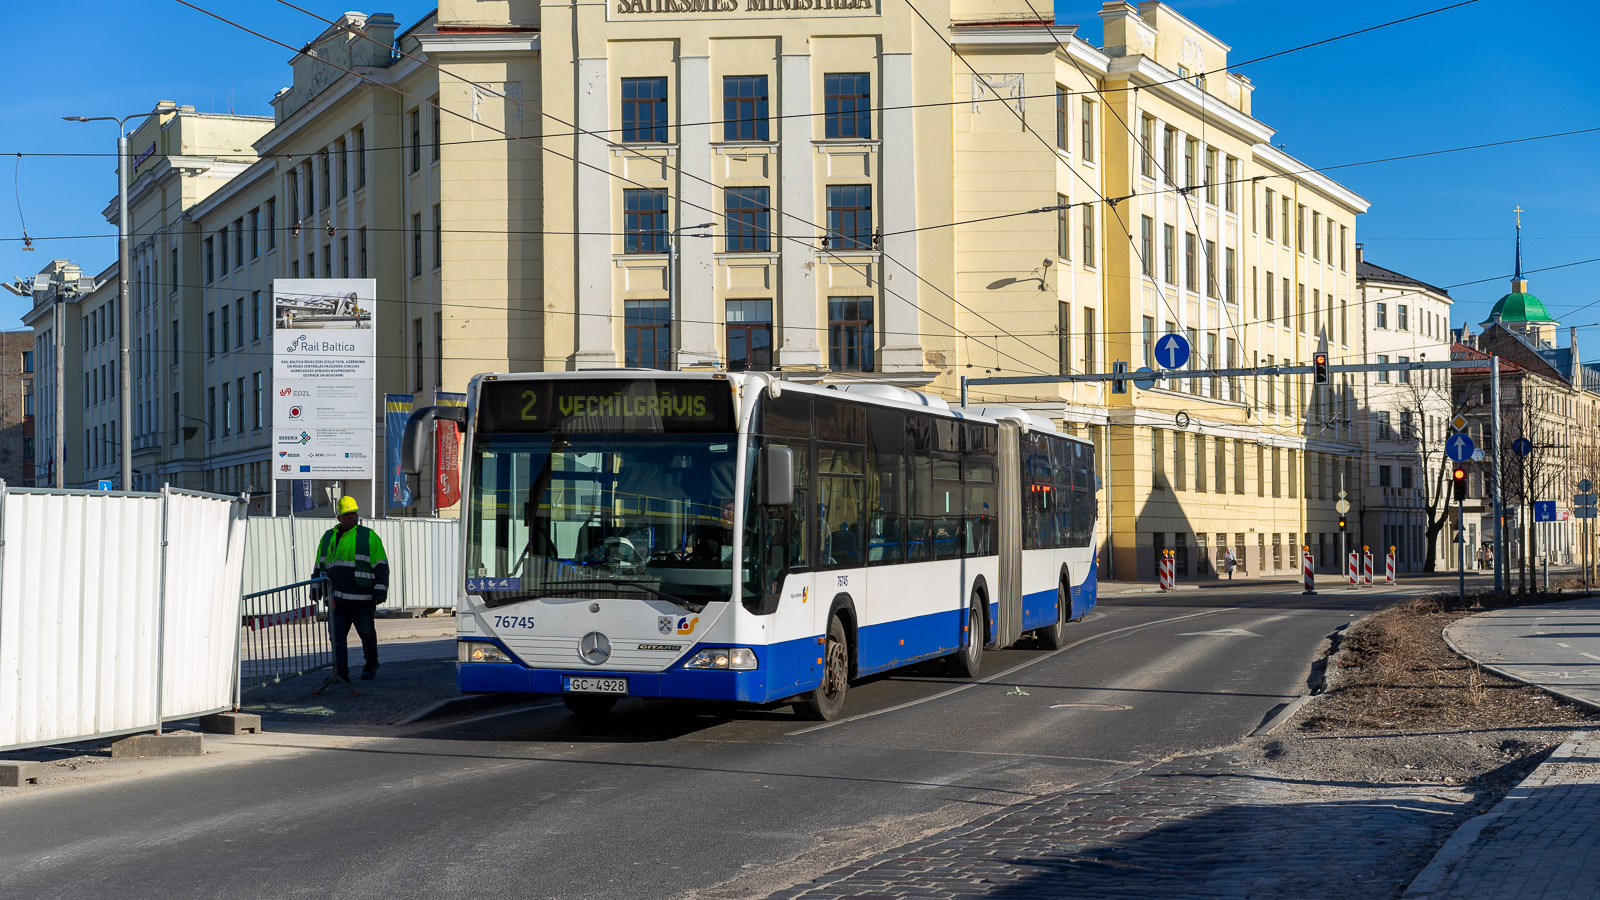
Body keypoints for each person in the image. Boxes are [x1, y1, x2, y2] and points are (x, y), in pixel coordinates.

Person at [310, 496, 390, 681]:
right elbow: (319, 566)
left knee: (367, 634)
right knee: (337, 638)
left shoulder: (368, 536)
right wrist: (316, 587)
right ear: (339, 517)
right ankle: (341, 673)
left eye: (354, 513)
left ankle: (371, 663)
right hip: (336, 600)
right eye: (347, 514)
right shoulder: (328, 537)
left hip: (362, 599)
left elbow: (381, 565)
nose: (351, 517)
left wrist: (380, 589)